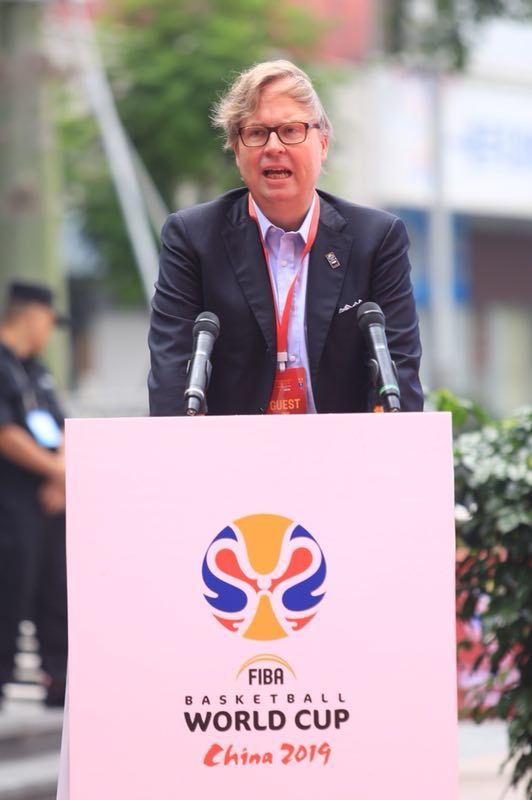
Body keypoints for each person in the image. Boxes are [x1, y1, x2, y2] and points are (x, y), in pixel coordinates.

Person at [148, 60, 423, 415]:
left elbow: (399, 374)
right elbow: (171, 376)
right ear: (236, 149)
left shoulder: (377, 240)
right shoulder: (193, 239)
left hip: (343, 446)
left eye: (291, 130)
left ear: (322, 144)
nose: (274, 146)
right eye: (256, 133)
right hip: (231, 447)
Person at [0, 280, 69, 708]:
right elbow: (6, 433)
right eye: (48, 323)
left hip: (49, 500)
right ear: (33, 316)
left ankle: (58, 679)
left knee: (56, 588)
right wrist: (57, 470)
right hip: (10, 502)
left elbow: (61, 426)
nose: (49, 333)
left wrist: (61, 477)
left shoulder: (36, 369)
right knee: (9, 589)